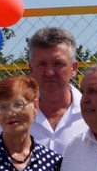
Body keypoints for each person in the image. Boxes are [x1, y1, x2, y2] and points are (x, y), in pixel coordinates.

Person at [24, 27, 87, 155]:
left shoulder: (93, 114)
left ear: (74, 68)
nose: (49, 72)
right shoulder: (15, 116)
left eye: (58, 63)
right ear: (31, 69)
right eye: (42, 64)